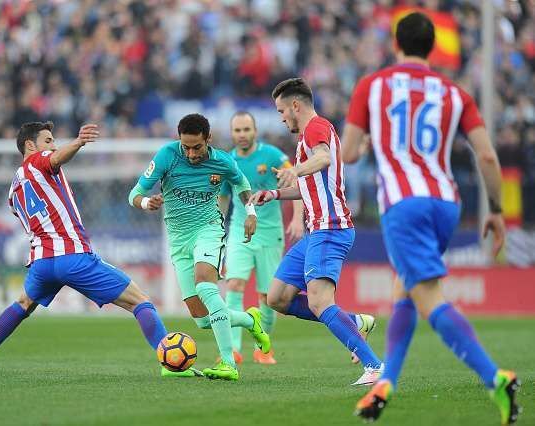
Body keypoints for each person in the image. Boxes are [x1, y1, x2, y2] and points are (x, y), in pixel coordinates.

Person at [342, 12, 520, 423]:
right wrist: (494, 209)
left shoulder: (373, 86)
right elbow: (487, 155)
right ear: (433, 46)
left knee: (428, 296)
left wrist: (371, 140)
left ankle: (496, 378)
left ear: (395, 44)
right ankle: (387, 383)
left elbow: (348, 153)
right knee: (407, 290)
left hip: (404, 204)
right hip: (446, 202)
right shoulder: (454, 93)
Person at [0, 122, 191, 378]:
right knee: (141, 302)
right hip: (72, 256)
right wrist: (79, 142)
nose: (53, 145)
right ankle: (169, 363)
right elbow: (55, 159)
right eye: (48, 140)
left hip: (41, 263)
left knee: (23, 304)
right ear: (30, 145)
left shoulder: (13, 191)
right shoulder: (39, 161)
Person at [250, 78, 383, 385]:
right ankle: (354, 322)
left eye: (282, 111)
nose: (282, 118)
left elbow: (322, 159)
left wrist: (295, 169)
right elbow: (308, 187)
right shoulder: (305, 140)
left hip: (330, 228)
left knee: (319, 302)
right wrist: (274, 194)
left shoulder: (315, 128)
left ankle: (375, 366)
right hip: (316, 232)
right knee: (277, 297)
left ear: (296, 106)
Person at [128, 113, 270, 381]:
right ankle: (250, 320)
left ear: (209, 140)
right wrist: (147, 203)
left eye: (197, 147)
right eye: (186, 147)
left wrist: (250, 213)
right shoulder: (166, 156)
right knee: (202, 319)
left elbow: (241, 183)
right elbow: (134, 193)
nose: (191, 153)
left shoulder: (223, 161)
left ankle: (228, 362)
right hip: (179, 240)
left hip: (209, 230)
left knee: (207, 286)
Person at [218, 111, 305, 365]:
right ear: (232, 133)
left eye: (247, 129)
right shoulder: (227, 162)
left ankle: (262, 346)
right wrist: (217, 229)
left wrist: (297, 218)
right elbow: (223, 198)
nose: (242, 135)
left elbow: (294, 184)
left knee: (268, 297)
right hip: (239, 231)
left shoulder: (273, 156)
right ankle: (233, 349)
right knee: (234, 285)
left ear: (255, 131)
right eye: (237, 130)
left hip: (269, 234)